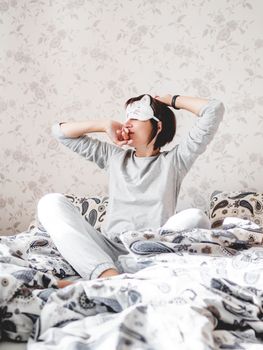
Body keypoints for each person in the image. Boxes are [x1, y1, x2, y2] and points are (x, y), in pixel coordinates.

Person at [37, 93, 225, 288]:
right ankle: (108, 276)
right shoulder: (113, 157)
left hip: (150, 249)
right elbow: (59, 132)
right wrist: (104, 125)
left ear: (158, 126)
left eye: (135, 118)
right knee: (50, 202)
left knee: (196, 217)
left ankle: (108, 280)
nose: (127, 124)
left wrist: (171, 100)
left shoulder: (175, 161)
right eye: (127, 118)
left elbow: (214, 108)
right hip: (108, 248)